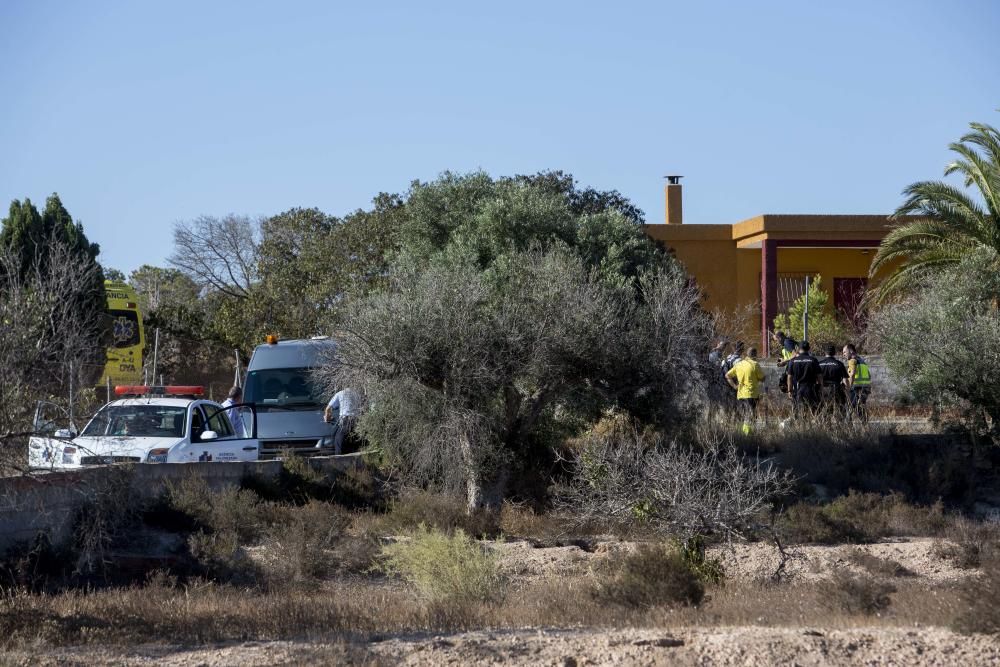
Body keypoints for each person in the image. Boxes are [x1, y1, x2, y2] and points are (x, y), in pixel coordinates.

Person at [726, 346, 765, 434]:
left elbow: (727, 375)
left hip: (740, 394)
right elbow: (762, 378)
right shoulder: (755, 364)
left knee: (744, 414)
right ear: (755, 355)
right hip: (751, 394)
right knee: (751, 415)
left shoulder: (739, 364)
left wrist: (734, 386)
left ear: (746, 354)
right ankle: (747, 434)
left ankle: (742, 433)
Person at [786, 340, 822, 417]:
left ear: (798, 349)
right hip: (811, 388)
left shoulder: (793, 361)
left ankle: (801, 426)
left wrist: (789, 390)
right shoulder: (813, 360)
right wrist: (820, 387)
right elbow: (819, 376)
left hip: (798, 389)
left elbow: (789, 377)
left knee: (799, 410)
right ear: (809, 348)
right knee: (814, 411)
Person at [323, 388, 359, 454]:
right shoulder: (358, 394)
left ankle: (338, 460)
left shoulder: (340, 393)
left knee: (338, 442)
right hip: (358, 421)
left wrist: (327, 418)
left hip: (346, 420)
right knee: (355, 444)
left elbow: (328, 408)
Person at [818, 344, 849, 420]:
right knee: (840, 411)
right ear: (834, 353)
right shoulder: (839, 364)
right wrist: (848, 390)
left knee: (825, 411)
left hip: (824, 390)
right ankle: (839, 428)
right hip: (837, 389)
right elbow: (845, 380)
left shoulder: (819, 364)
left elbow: (817, 379)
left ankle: (827, 428)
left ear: (825, 353)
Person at [843, 343, 872, 422]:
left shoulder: (852, 361)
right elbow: (869, 375)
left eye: (845, 352)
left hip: (856, 388)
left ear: (851, 351)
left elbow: (852, 374)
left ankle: (849, 425)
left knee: (849, 406)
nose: (844, 354)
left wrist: (848, 387)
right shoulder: (862, 361)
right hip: (866, 388)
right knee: (859, 406)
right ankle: (864, 423)